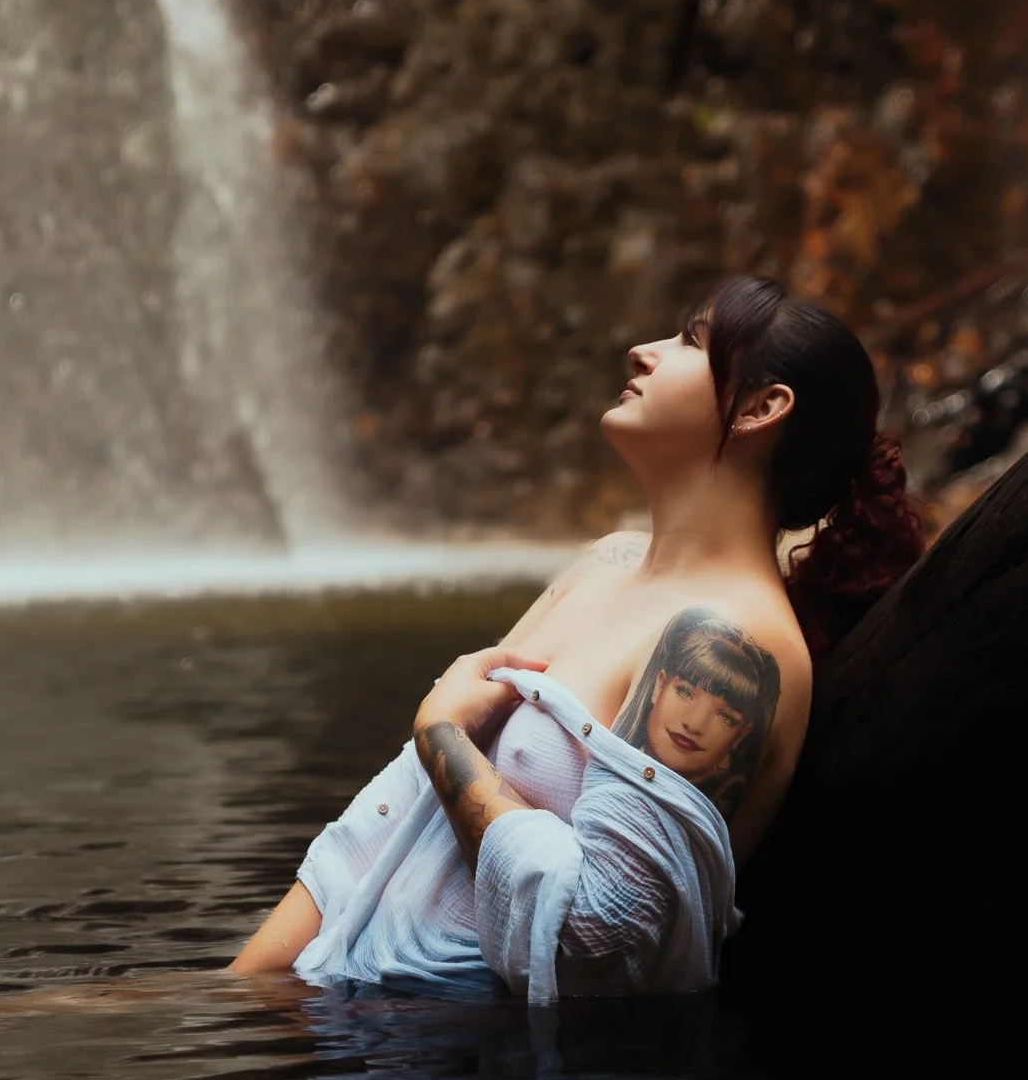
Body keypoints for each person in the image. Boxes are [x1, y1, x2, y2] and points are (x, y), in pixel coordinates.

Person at [228, 273, 924, 1001]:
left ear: (759, 407)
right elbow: (392, 821)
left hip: (464, 1073)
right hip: (340, 1011)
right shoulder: (605, 563)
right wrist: (242, 992)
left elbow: (591, 943)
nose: (641, 352)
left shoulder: (728, 644)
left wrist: (442, 734)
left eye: (689, 340)